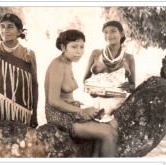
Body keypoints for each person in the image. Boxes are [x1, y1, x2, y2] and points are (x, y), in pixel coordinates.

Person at [44, 29, 118, 157]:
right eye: (74, 47)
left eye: (82, 47)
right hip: (59, 114)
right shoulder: (58, 65)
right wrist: (82, 111)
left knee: (113, 123)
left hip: (72, 109)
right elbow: (53, 101)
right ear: (63, 47)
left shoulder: (68, 62)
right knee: (107, 132)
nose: (79, 51)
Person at [83, 20, 135, 116]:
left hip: (118, 105)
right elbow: (85, 79)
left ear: (122, 33)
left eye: (113, 31)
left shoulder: (129, 58)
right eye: (105, 32)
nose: (108, 35)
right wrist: (91, 90)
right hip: (96, 104)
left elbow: (133, 86)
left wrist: (128, 87)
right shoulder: (96, 53)